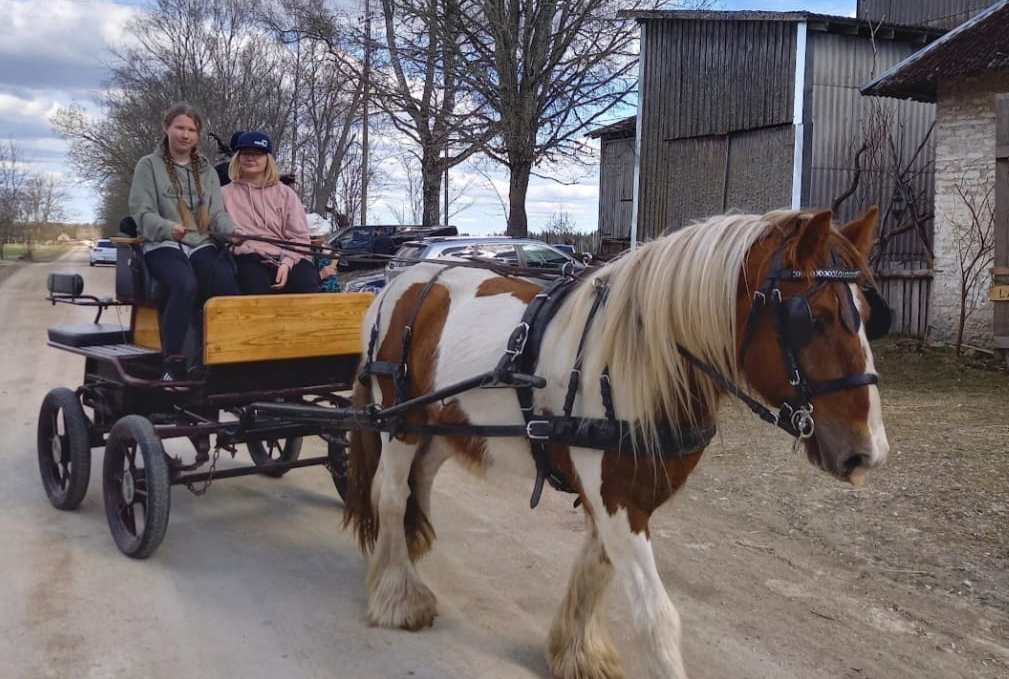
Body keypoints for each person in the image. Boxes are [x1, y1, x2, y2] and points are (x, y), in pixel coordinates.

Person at [129, 102, 240, 382]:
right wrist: (168, 228)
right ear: (167, 128)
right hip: (162, 244)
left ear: (198, 135)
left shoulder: (207, 172)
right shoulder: (148, 166)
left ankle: (221, 358)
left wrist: (233, 232)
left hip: (200, 243)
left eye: (192, 129)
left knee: (226, 285)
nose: (185, 134)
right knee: (184, 284)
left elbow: (216, 215)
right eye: (180, 127)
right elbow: (142, 212)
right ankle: (173, 362)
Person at [221, 131, 320, 295]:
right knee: (254, 284)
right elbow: (221, 234)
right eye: (245, 153)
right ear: (237, 158)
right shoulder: (224, 194)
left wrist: (286, 263)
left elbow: (300, 237)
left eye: (257, 154)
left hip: (287, 256)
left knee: (306, 282)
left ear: (268, 159)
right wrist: (247, 247)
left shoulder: (286, 194)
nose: (250, 158)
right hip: (247, 257)